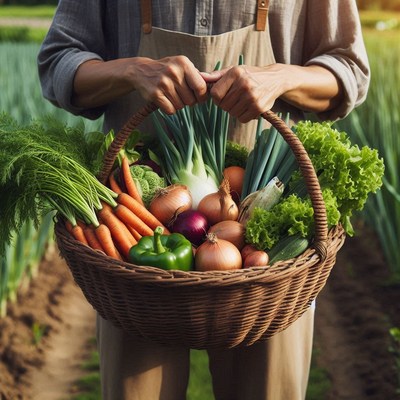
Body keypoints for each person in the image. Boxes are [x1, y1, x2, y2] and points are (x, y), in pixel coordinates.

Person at [37, 1, 370, 399]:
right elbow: (58, 61)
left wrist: (279, 78)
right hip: (138, 233)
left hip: (265, 237)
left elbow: (349, 69)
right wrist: (130, 70)